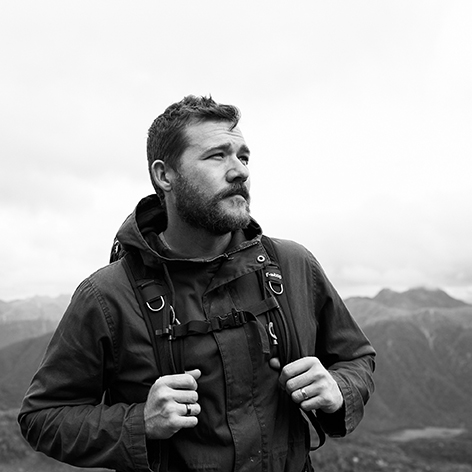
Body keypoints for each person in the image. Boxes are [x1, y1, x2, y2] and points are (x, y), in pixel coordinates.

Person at [18, 95, 375, 472]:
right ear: (164, 176)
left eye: (243, 157)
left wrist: (339, 388)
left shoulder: (292, 265)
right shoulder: (107, 296)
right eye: (217, 156)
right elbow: (42, 417)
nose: (239, 171)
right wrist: (139, 422)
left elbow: (356, 357)